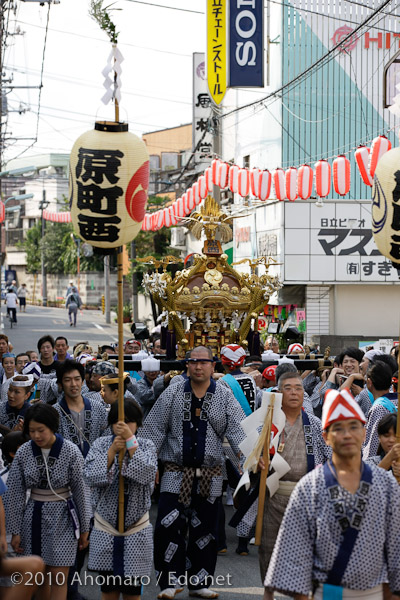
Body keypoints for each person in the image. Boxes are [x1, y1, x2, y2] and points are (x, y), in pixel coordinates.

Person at [264, 387, 400, 599]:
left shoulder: (386, 485)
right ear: (325, 436)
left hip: (375, 592)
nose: (347, 435)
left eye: (354, 427)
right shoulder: (309, 487)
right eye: (338, 428)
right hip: (328, 593)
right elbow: (294, 551)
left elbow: (396, 549)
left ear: (365, 433)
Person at [142, 346, 246, 600]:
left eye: (204, 362)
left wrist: (252, 459)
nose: (198, 367)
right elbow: (153, 430)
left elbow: (239, 432)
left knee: (206, 531)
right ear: (187, 365)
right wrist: (148, 464)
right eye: (193, 362)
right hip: (175, 472)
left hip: (210, 475)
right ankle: (169, 581)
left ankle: (199, 583)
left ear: (213, 365)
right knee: (168, 527)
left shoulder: (224, 395)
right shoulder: (173, 392)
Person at [4, 403, 91, 600]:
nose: (36, 436)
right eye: (32, 431)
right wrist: (14, 531)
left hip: (64, 517)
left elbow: (81, 490)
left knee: (59, 576)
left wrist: (85, 527)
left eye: (40, 430)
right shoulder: (24, 452)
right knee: (38, 576)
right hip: (33, 514)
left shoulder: (71, 451)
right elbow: (15, 493)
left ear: (52, 427)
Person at [84, 400, 157, 600]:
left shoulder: (146, 445)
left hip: (136, 525)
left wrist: (131, 444)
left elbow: (148, 474)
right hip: (106, 523)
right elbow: (90, 476)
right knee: (108, 589)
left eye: (129, 421)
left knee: (132, 591)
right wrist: (111, 453)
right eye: (117, 421)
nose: (122, 426)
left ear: (138, 423)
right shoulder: (101, 444)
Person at [53, 359, 108, 457]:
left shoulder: (98, 407)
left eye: (77, 379)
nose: (73, 384)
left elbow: (106, 438)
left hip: (95, 466)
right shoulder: (54, 412)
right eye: (67, 380)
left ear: (83, 382)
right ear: (60, 384)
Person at [363, 361, 398, 459]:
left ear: (369, 382)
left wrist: (369, 467)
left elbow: (373, 445)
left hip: (386, 464)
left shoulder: (378, 408)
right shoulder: (396, 399)